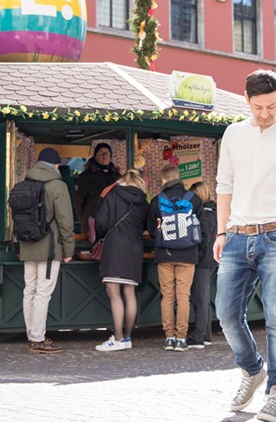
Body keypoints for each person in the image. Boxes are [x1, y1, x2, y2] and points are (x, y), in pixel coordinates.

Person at [214, 69, 276, 422]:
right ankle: (252, 369)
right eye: (259, 107)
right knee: (225, 313)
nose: (265, 113)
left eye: (271, 106)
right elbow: (223, 184)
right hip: (237, 234)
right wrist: (220, 232)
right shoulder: (233, 134)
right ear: (246, 101)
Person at [20, 148, 75, 354]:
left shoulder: (25, 182)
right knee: (43, 292)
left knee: (30, 290)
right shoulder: (57, 186)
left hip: (28, 245)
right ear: (56, 165)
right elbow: (65, 221)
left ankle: (32, 334)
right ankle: (38, 338)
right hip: (49, 247)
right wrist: (68, 249)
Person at [148, 165, 203, 352]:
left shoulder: (157, 200)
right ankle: (181, 339)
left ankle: (169, 337)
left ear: (164, 181)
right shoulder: (194, 199)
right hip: (188, 254)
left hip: (164, 254)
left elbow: (150, 230)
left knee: (168, 297)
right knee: (183, 297)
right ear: (178, 178)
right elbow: (201, 228)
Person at [94, 170, 149, 352]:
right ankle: (127, 337)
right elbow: (146, 226)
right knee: (129, 292)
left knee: (114, 291)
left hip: (114, 246)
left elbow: (100, 222)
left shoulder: (112, 194)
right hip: (135, 248)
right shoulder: (143, 201)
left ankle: (117, 338)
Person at [188, 181, 217, 349]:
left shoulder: (205, 213)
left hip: (203, 260)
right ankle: (206, 335)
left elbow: (203, 239)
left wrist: (196, 256)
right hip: (209, 259)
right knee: (203, 298)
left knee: (200, 298)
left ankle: (199, 337)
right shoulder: (212, 210)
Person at [75, 142, 121, 232]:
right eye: (101, 153)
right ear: (95, 156)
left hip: (113, 223)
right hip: (92, 224)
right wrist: (85, 219)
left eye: (107, 153)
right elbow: (78, 202)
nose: (104, 156)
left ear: (110, 157)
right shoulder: (85, 176)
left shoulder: (117, 176)